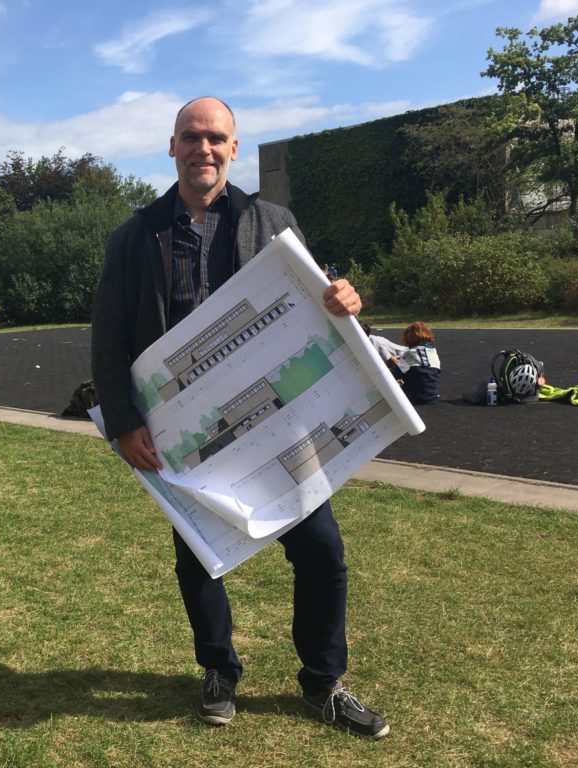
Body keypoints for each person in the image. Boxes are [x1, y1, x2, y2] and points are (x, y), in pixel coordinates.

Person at [91, 97, 389, 739]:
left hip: (281, 424)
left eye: (216, 138)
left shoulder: (273, 221)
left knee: (322, 553)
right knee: (199, 559)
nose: (204, 148)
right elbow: (109, 337)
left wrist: (345, 300)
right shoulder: (135, 237)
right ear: (171, 147)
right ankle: (219, 672)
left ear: (234, 147)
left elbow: (319, 307)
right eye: (191, 137)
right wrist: (123, 421)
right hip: (185, 437)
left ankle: (322, 683)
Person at [395, 322, 440, 405]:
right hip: (433, 398)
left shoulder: (409, 354)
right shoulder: (434, 353)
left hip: (413, 399)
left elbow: (394, 374)